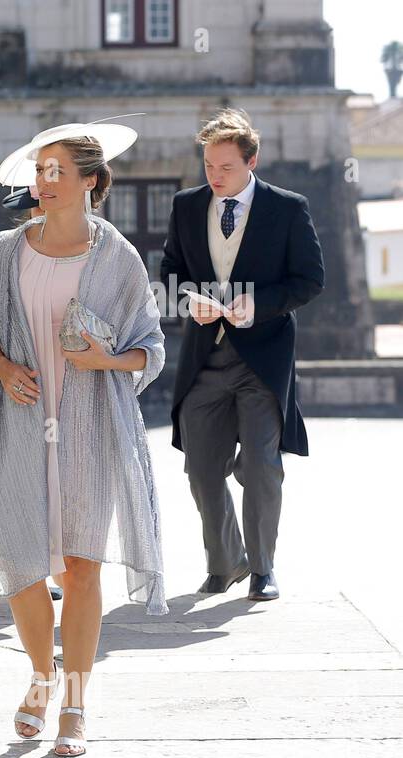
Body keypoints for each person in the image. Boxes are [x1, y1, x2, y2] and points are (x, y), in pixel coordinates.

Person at [0, 119, 167, 758]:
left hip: (89, 426)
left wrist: (105, 362)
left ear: (91, 181)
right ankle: (40, 675)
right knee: (23, 564)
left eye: (57, 170)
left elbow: (151, 348)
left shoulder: (118, 256)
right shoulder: (2, 251)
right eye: (38, 171)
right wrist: (4, 368)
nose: (44, 181)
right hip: (18, 425)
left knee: (84, 566)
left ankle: (76, 703)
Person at [162, 108, 324, 602]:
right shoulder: (187, 206)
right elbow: (170, 274)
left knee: (260, 467)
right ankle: (225, 562)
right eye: (209, 165)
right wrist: (191, 300)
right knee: (202, 470)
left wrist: (262, 304)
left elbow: (309, 281)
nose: (215, 175)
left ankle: (262, 568)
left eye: (226, 166)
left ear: (251, 161)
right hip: (203, 361)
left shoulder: (288, 208)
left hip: (264, 362)